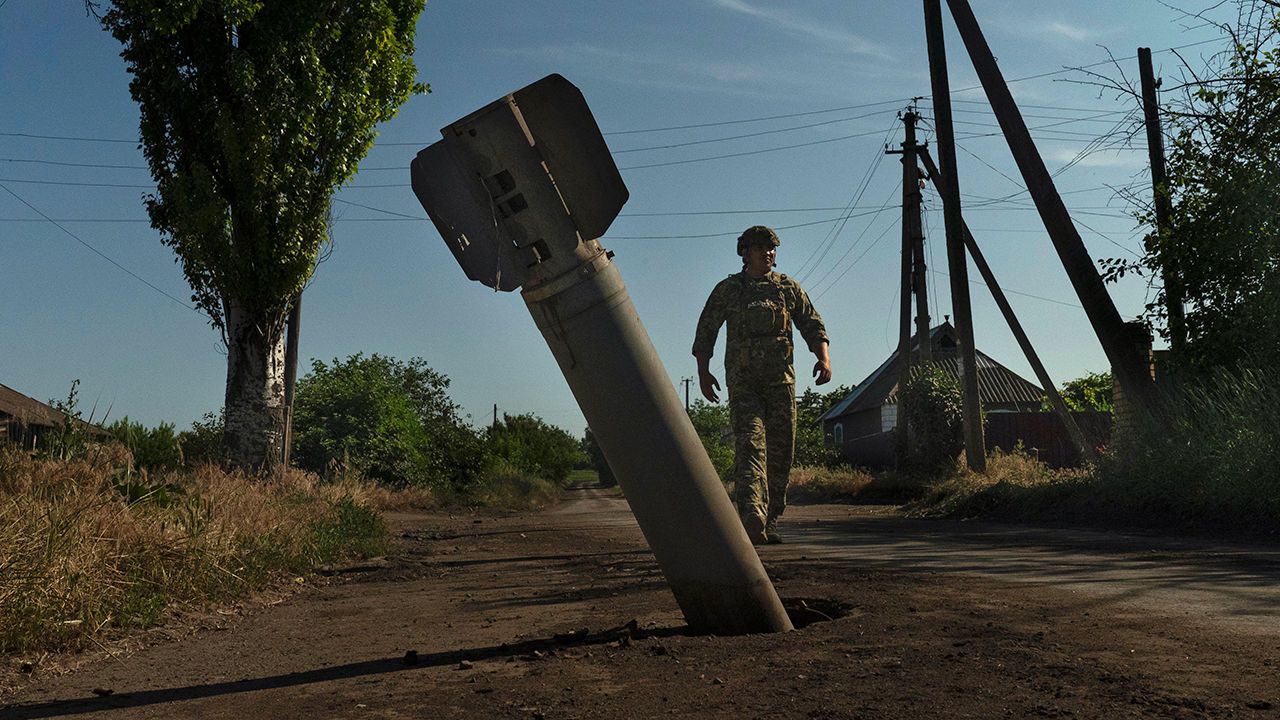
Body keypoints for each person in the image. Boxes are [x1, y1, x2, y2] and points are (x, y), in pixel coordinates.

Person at [692, 225, 832, 545]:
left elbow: (811, 322)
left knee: (782, 451)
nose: (768, 253)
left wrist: (824, 359)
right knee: (751, 445)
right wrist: (703, 371)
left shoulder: (787, 288)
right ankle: (751, 513)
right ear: (746, 253)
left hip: (781, 383)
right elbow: (707, 329)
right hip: (744, 384)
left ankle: (769, 518)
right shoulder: (729, 290)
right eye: (760, 248)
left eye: (772, 248)